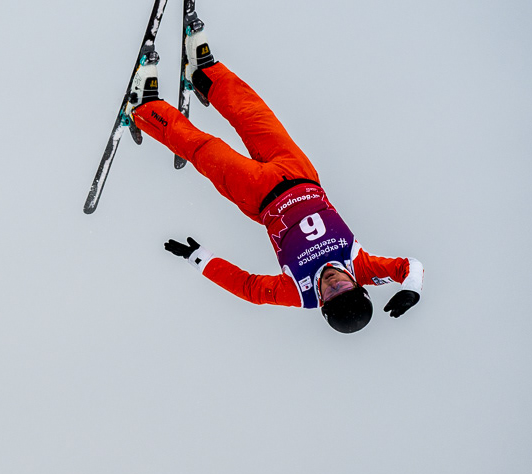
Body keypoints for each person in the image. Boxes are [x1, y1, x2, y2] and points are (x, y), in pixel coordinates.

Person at [126, 26, 424, 334]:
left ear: (322, 303)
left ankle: (144, 108)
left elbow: (249, 289)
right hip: (300, 174)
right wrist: (412, 289)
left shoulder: (298, 291)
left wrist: (198, 257)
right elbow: (409, 267)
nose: (334, 282)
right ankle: (205, 74)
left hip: (258, 194)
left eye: (331, 293)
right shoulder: (363, 268)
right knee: (253, 114)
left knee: (205, 149)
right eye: (344, 287)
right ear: (359, 286)